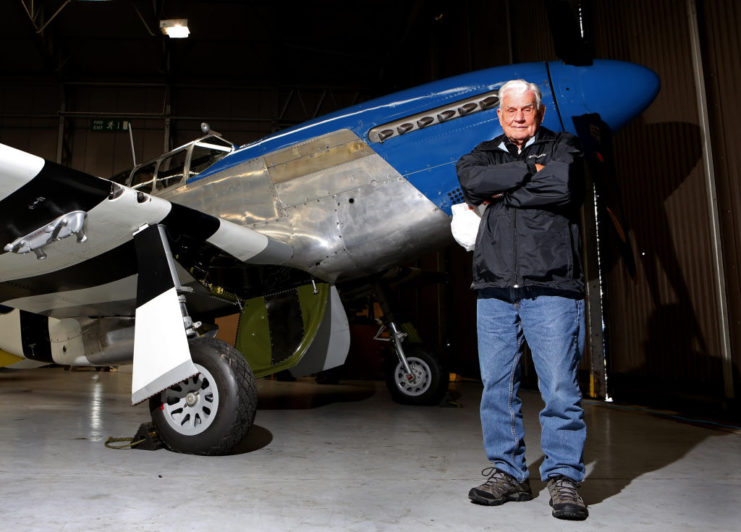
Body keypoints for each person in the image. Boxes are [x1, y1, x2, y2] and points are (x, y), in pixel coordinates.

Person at [456, 79, 588, 521]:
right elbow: (471, 181)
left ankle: (564, 478)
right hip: (494, 287)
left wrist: (502, 190)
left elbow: (562, 187)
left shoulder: (563, 147)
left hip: (551, 286)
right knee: (497, 388)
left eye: (525, 109)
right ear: (499, 114)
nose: (517, 116)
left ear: (540, 111)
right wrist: (529, 174)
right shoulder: (483, 152)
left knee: (559, 389)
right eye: (509, 110)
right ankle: (508, 473)